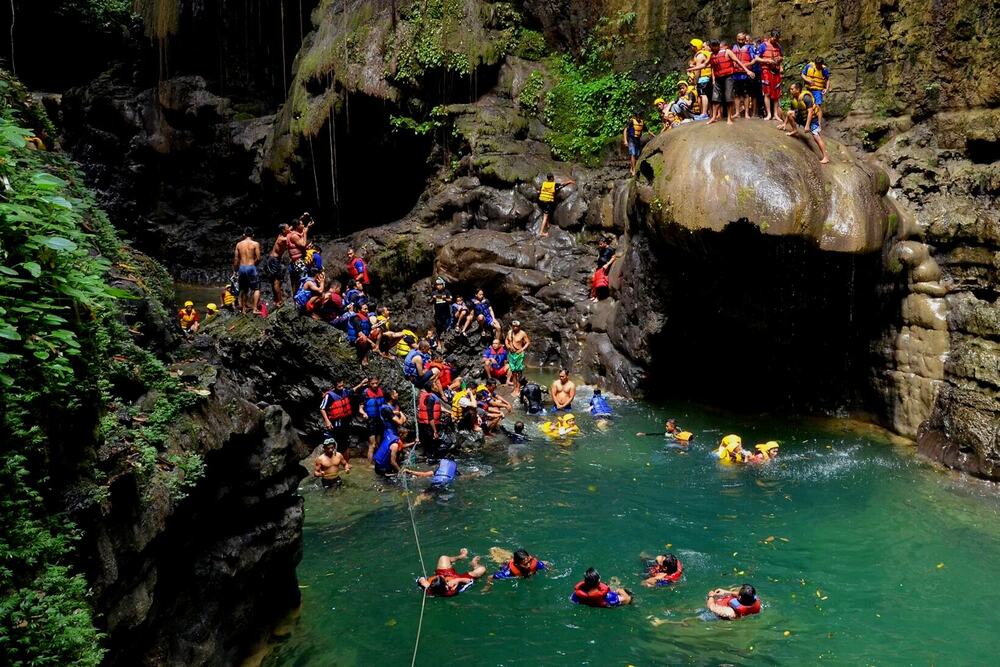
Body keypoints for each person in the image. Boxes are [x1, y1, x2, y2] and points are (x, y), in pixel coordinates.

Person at [706, 39, 755, 126]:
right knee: (715, 98)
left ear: (718, 46)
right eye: (711, 47)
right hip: (718, 78)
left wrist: (747, 71)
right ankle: (713, 117)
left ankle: (729, 117)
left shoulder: (727, 52)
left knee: (729, 97)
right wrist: (693, 69)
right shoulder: (712, 55)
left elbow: (737, 61)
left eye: (714, 47)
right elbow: (707, 66)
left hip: (728, 77)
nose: (712, 49)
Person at [781, 82, 830, 164]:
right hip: (802, 118)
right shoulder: (794, 100)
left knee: (816, 137)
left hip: (812, 120)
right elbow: (790, 111)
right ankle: (795, 130)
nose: (791, 90)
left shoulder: (806, 98)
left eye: (792, 89)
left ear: (798, 90)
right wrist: (785, 124)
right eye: (790, 89)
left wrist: (807, 126)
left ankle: (826, 157)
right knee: (789, 113)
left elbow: (810, 112)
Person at [319, 379, 366, 458]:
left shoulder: (345, 392)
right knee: (332, 442)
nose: (341, 388)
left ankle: (345, 463)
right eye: (339, 386)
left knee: (345, 442)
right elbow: (322, 408)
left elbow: (352, 390)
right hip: (335, 423)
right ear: (335, 386)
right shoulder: (329, 395)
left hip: (345, 422)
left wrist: (361, 384)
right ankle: (330, 461)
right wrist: (327, 421)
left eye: (342, 385)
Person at [417, 549, 486, 597]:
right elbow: (470, 582)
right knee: (482, 569)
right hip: (459, 580)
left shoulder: (429, 589)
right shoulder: (452, 591)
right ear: (446, 586)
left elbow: (420, 579)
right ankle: (475, 564)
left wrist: (422, 580)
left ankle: (462, 556)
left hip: (446, 577)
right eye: (443, 579)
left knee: (443, 558)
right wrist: (457, 580)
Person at [755, 30, 784, 121]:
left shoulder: (778, 46)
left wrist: (780, 60)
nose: (775, 41)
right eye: (774, 39)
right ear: (770, 37)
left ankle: (775, 114)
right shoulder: (763, 45)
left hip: (776, 71)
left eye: (777, 39)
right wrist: (766, 61)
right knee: (767, 92)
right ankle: (769, 114)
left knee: (776, 93)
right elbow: (756, 58)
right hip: (766, 71)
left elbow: (782, 57)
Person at [233, 227, 262, 314]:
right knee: (256, 288)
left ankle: (244, 309)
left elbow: (236, 259)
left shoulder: (239, 244)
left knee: (244, 289)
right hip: (251, 267)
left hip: (242, 268)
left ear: (243, 235)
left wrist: (235, 271)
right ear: (253, 235)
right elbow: (259, 258)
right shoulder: (255, 244)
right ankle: (255, 309)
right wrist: (253, 264)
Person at [537, 173, 576, 237]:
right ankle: (541, 232)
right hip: (547, 201)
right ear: (552, 178)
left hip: (541, 200)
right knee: (545, 216)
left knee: (546, 212)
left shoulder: (544, 183)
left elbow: (540, 190)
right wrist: (569, 181)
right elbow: (562, 184)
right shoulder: (553, 185)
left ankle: (548, 224)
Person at [261, 223, 290, 307]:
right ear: (283, 230)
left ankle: (276, 300)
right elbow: (291, 237)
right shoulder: (282, 239)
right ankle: (279, 301)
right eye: (287, 228)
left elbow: (290, 231)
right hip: (274, 260)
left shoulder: (281, 234)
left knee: (275, 280)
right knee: (276, 281)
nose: (289, 229)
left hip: (273, 259)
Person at [286, 213, 313, 294]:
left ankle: (299, 301)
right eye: (302, 224)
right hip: (298, 262)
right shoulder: (294, 235)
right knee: (304, 280)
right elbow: (303, 244)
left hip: (296, 261)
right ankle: (302, 300)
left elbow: (296, 223)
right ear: (297, 226)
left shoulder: (291, 232)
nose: (303, 225)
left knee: (298, 282)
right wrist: (305, 232)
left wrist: (306, 225)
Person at [686, 38, 713, 119]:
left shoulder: (700, 55)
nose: (691, 48)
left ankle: (704, 113)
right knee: (708, 95)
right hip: (708, 77)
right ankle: (709, 113)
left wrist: (695, 80)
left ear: (696, 46)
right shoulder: (706, 53)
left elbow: (698, 69)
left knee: (703, 95)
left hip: (703, 78)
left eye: (692, 46)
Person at [360, 377, 385, 462]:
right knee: (372, 445)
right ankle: (369, 465)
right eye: (372, 383)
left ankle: (377, 462)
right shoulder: (365, 393)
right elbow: (360, 408)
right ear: (369, 384)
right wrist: (364, 413)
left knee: (379, 443)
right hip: (371, 421)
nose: (375, 385)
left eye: (376, 383)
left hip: (380, 420)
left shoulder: (381, 391)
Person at [416, 388, 444, 460]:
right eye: (434, 385)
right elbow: (430, 415)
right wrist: (435, 431)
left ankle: (428, 456)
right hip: (429, 424)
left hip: (423, 423)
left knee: (427, 442)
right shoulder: (430, 398)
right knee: (430, 443)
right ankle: (430, 458)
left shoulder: (422, 396)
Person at [732, 33, 755, 118]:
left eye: (743, 39)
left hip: (745, 74)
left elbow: (754, 60)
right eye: (739, 39)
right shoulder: (734, 47)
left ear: (745, 39)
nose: (741, 41)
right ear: (736, 39)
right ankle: (737, 112)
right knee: (736, 94)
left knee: (746, 94)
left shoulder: (749, 48)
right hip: (735, 74)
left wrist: (745, 65)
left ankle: (746, 113)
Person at [504, 321, 530, 392]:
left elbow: (527, 342)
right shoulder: (509, 332)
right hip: (511, 354)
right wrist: (508, 346)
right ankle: (515, 386)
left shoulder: (522, 333)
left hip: (519, 354)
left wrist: (522, 349)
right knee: (513, 371)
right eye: (513, 326)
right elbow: (506, 340)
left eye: (516, 326)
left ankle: (518, 387)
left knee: (519, 371)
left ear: (519, 326)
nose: (515, 327)